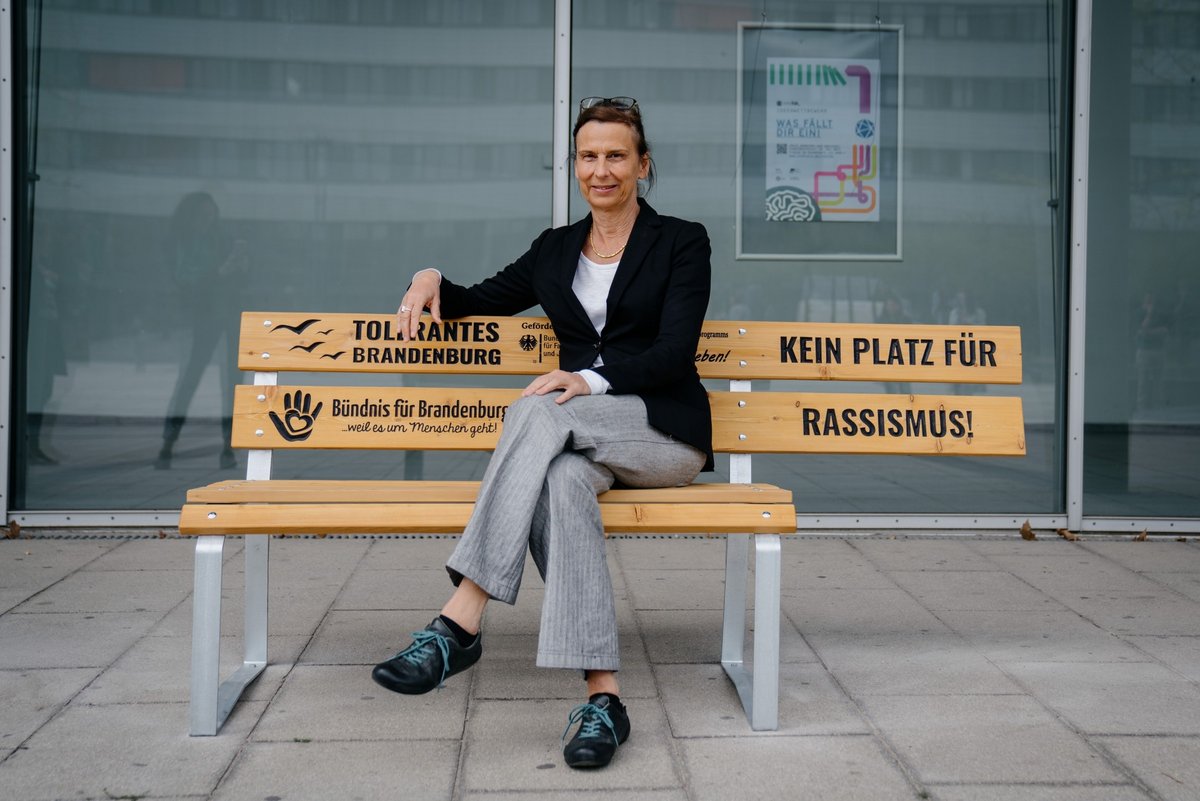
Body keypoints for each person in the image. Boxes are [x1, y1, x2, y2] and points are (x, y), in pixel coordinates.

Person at [372, 97, 713, 770]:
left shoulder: (681, 241)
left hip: (661, 432)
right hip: (579, 441)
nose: (602, 168)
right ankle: (604, 700)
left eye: (617, 155)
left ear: (643, 165)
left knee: (536, 407)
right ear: (575, 166)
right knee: (557, 480)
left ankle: (460, 617)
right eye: (589, 155)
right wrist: (429, 276)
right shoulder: (554, 250)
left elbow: (674, 352)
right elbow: (475, 298)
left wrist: (588, 381)